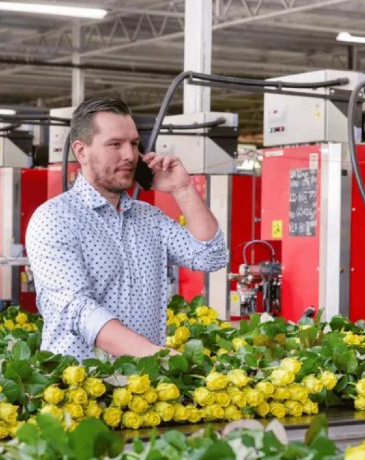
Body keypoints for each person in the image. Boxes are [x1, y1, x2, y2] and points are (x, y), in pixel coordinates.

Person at [25, 97, 228, 362]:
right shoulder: (55, 219)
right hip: (81, 388)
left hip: (144, 387)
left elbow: (211, 255)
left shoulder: (150, 219)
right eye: (115, 144)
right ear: (81, 151)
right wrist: (158, 356)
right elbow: (78, 309)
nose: (130, 155)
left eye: (134, 144)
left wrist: (183, 190)